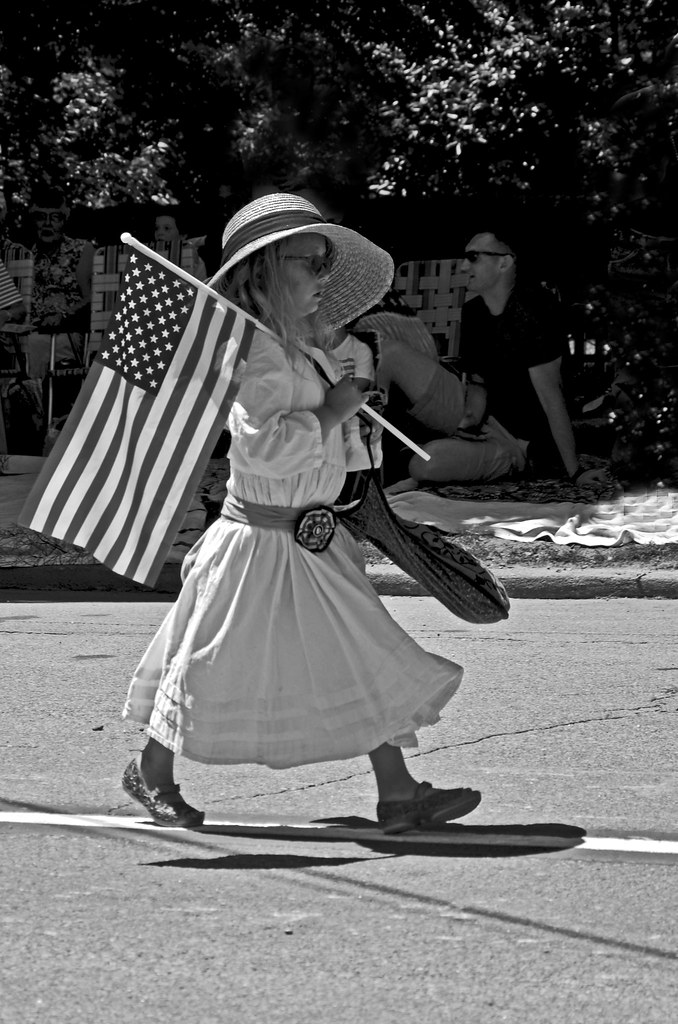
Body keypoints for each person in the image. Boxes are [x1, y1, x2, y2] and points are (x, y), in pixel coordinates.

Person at [121, 193, 481, 835]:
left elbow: (316, 443)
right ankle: (152, 770)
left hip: (310, 536)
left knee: (358, 651)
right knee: (210, 661)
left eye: (324, 263)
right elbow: (266, 447)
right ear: (261, 272)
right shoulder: (258, 354)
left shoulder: (301, 349)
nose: (321, 275)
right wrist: (336, 412)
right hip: (258, 541)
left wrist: (347, 432)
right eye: (309, 262)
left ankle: (398, 794)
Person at [373, 227, 609, 491]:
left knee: (423, 464)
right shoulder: (473, 313)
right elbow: (477, 382)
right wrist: (469, 421)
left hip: (515, 443)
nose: (463, 266)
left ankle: (417, 463)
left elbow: (551, 397)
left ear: (504, 262)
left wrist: (575, 472)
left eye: (474, 257)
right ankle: (371, 464)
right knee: (390, 352)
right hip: (481, 418)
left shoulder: (535, 310)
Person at [23, 186, 95, 383]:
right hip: (30, 332)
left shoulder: (81, 250)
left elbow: (92, 299)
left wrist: (64, 316)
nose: (47, 224)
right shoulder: (28, 256)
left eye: (54, 217)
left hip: (67, 335)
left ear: (64, 219)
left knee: (30, 348)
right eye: (40, 217)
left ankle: (36, 411)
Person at [152, 206, 207, 280]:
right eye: (157, 228)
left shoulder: (194, 260)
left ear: (182, 235)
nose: (160, 233)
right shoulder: (146, 254)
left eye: (167, 228)